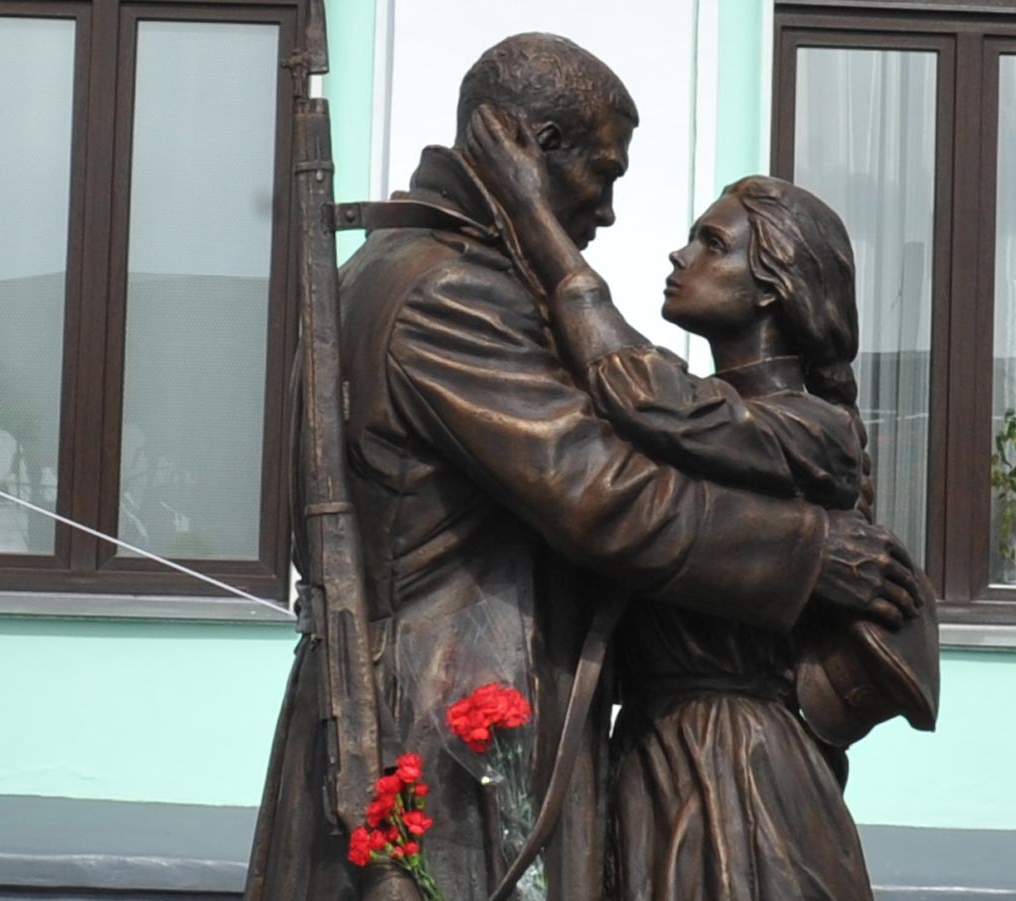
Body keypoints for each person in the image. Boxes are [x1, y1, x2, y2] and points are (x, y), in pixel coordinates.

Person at [246, 33, 929, 901]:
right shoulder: (453, 290)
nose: (607, 213)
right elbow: (601, 495)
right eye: (602, 174)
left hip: (513, 732)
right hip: (448, 731)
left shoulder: (394, 270)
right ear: (534, 146)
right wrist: (807, 553)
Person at [465, 109, 938, 899]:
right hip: (652, 754)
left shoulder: (814, 432)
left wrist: (536, 221)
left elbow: (643, 392)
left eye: (712, 244)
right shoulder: (700, 424)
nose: (681, 256)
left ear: (774, 286)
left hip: (739, 766)